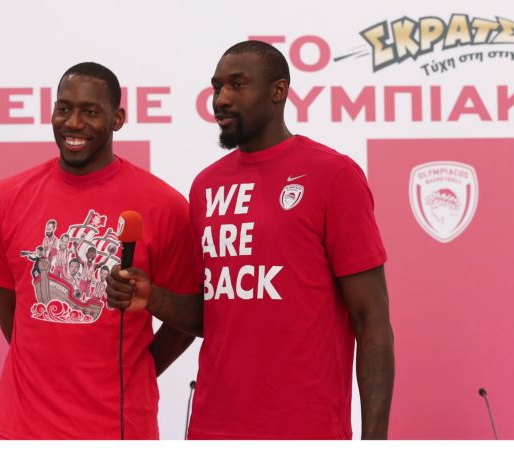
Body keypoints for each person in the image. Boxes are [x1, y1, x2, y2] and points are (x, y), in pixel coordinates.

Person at [106, 41, 395, 440]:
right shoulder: (206, 186)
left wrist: (375, 441)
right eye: (216, 87)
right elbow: (213, 315)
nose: (221, 99)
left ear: (279, 91)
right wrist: (153, 297)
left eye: (237, 85)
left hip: (305, 430)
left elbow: (372, 320)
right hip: (212, 428)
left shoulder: (333, 175)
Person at [0, 62, 199, 439]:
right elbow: (10, 310)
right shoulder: (7, 197)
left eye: (90, 111)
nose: (73, 123)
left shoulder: (165, 206)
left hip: (116, 430)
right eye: (64, 109)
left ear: (118, 119)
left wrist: (138, 372)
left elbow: (189, 319)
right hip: (19, 429)